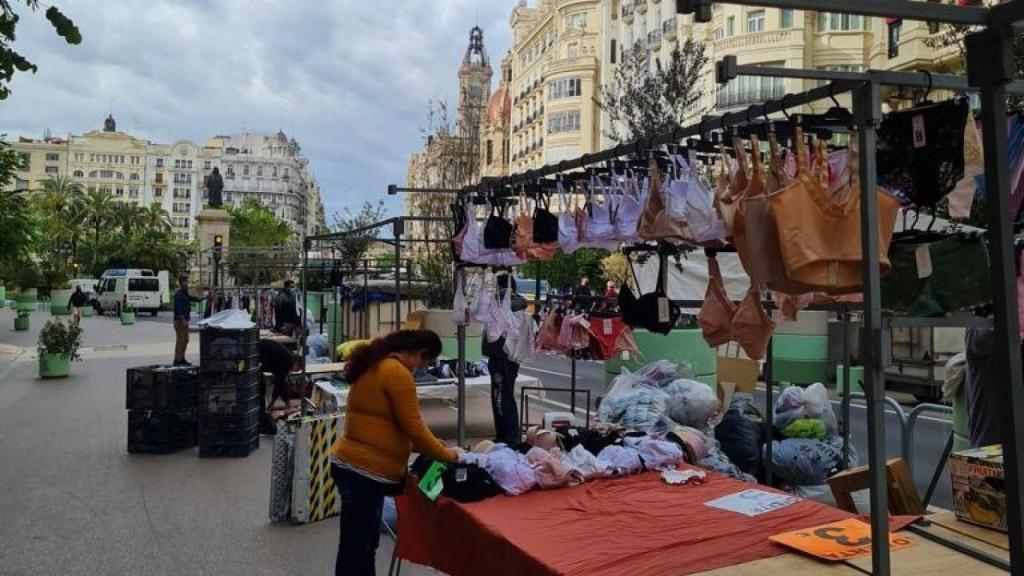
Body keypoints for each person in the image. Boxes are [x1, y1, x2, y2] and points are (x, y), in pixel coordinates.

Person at [330, 330, 460, 576]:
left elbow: (387, 427)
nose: (423, 368)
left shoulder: (376, 362)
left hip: (351, 464)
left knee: (357, 544)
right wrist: (449, 454)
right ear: (421, 354)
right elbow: (415, 428)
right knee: (360, 546)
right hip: (365, 471)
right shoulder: (397, 373)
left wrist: (430, 445)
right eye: (426, 362)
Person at [482, 275, 527, 445]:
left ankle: (510, 435)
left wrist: (499, 296)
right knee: (500, 394)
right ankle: (505, 434)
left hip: (504, 355)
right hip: (504, 355)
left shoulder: (510, 302)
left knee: (503, 395)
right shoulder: (510, 302)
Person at [173, 274, 204, 365]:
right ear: (182, 282)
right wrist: (183, 320)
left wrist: (204, 298)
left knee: (185, 340)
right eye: (187, 281)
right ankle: (177, 360)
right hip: (180, 321)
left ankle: (182, 358)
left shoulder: (184, 293)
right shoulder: (179, 294)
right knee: (181, 341)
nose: (188, 283)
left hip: (184, 321)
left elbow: (193, 298)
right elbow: (178, 309)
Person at [259, 339, 300, 407]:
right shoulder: (289, 362)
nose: (294, 371)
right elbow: (279, 384)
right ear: (296, 363)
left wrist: (272, 402)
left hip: (261, 350)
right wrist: (288, 404)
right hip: (261, 352)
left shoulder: (288, 357)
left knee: (261, 388)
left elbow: (279, 384)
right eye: (297, 369)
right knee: (260, 388)